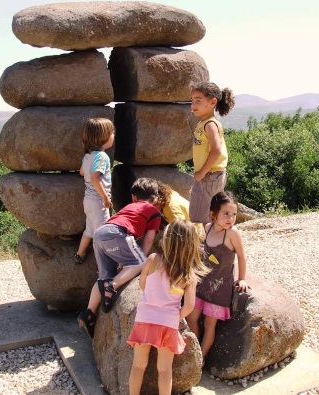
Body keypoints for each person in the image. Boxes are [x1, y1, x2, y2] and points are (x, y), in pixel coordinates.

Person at [127, 219, 208, 395]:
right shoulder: (188, 275)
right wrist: (175, 316)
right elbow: (189, 306)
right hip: (168, 323)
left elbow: (142, 284)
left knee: (138, 365)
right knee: (164, 369)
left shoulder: (153, 259)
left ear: (167, 239)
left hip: (145, 318)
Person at [77, 178, 162, 338]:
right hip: (118, 233)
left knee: (104, 276)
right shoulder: (154, 212)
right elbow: (148, 240)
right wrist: (137, 261)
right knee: (141, 262)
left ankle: (89, 313)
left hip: (100, 234)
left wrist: (125, 261)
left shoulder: (129, 207)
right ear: (155, 199)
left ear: (134, 197)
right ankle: (112, 285)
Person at [186, 191, 249, 363]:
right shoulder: (207, 228)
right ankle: (195, 349)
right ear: (213, 214)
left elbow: (242, 257)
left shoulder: (232, 233)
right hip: (203, 282)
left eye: (234, 214)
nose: (231, 218)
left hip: (220, 287)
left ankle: (201, 358)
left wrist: (242, 278)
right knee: (191, 317)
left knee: (209, 324)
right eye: (226, 214)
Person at [189, 81, 235, 226]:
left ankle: (205, 246)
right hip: (210, 175)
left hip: (209, 175)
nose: (193, 105)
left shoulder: (210, 124)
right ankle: (211, 244)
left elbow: (216, 150)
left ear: (213, 102)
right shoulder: (203, 123)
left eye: (198, 101)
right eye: (192, 101)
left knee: (201, 216)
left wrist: (202, 172)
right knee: (206, 213)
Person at [74, 117, 114, 264]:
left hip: (88, 201)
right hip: (98, 202)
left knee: (90, 230)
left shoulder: (88, 156)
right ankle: (102, 264)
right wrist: (105, 197)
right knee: (102, 233)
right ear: (102, 138)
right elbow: (95, 178)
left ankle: (79, 254)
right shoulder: (102, 157)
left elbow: (82, 173)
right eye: (112, 133)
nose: (113, 136)